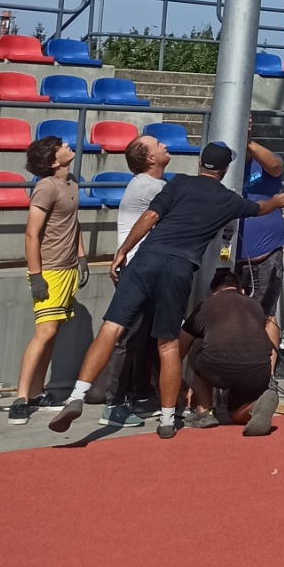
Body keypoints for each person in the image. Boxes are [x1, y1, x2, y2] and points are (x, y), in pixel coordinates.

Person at [47, 142, 284, 441]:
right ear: (226, 169)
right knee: (168, 344)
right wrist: (278, 202)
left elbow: (150, 218)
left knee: (111, 329)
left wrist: (122, 251)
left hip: (147, 258)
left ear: (200, 163)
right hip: (179, 268)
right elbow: (259, 208)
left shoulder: (179, 183)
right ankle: (166, 419)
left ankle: (77, 395)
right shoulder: (229, 200)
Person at [7, 136, 87, 428]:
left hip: (66, 269)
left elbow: (73, 222)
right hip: (49, 270)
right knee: (45, 331)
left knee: (52, 333)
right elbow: (31, 234)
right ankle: (20, 399)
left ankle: (37, 393)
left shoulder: (72, 183)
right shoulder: (45, 187)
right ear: (54, 160)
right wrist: (36, 274)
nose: (69, 146)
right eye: (62, 146)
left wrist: (81, 256)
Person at [96, 134, 174, 428]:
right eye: (157, 144)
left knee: (144, 337)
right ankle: (113, 404)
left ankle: (141, 394)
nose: (164, 144)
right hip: (139, 272)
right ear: (150, 159)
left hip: (147, 270)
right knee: (129, 338)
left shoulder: (150, 185)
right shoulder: (151, 186)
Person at [181, 267, 282, 435]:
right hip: (257, 371)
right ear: (241, 290)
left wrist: (180, 388)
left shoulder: (207, 305)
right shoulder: (255, 305)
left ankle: (204, 411)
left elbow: (180, 347)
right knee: (234, 412)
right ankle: (254, 407)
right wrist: (269, 374)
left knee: (199, 344)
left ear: (213, 292)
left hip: (219, 368)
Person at [235, 119, 284, 318]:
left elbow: (275, 166)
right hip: (231, 255)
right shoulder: (226, 165)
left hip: (266, 252)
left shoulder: (265, 160)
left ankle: (269, 351)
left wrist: (247, 141)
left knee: (265, 314)